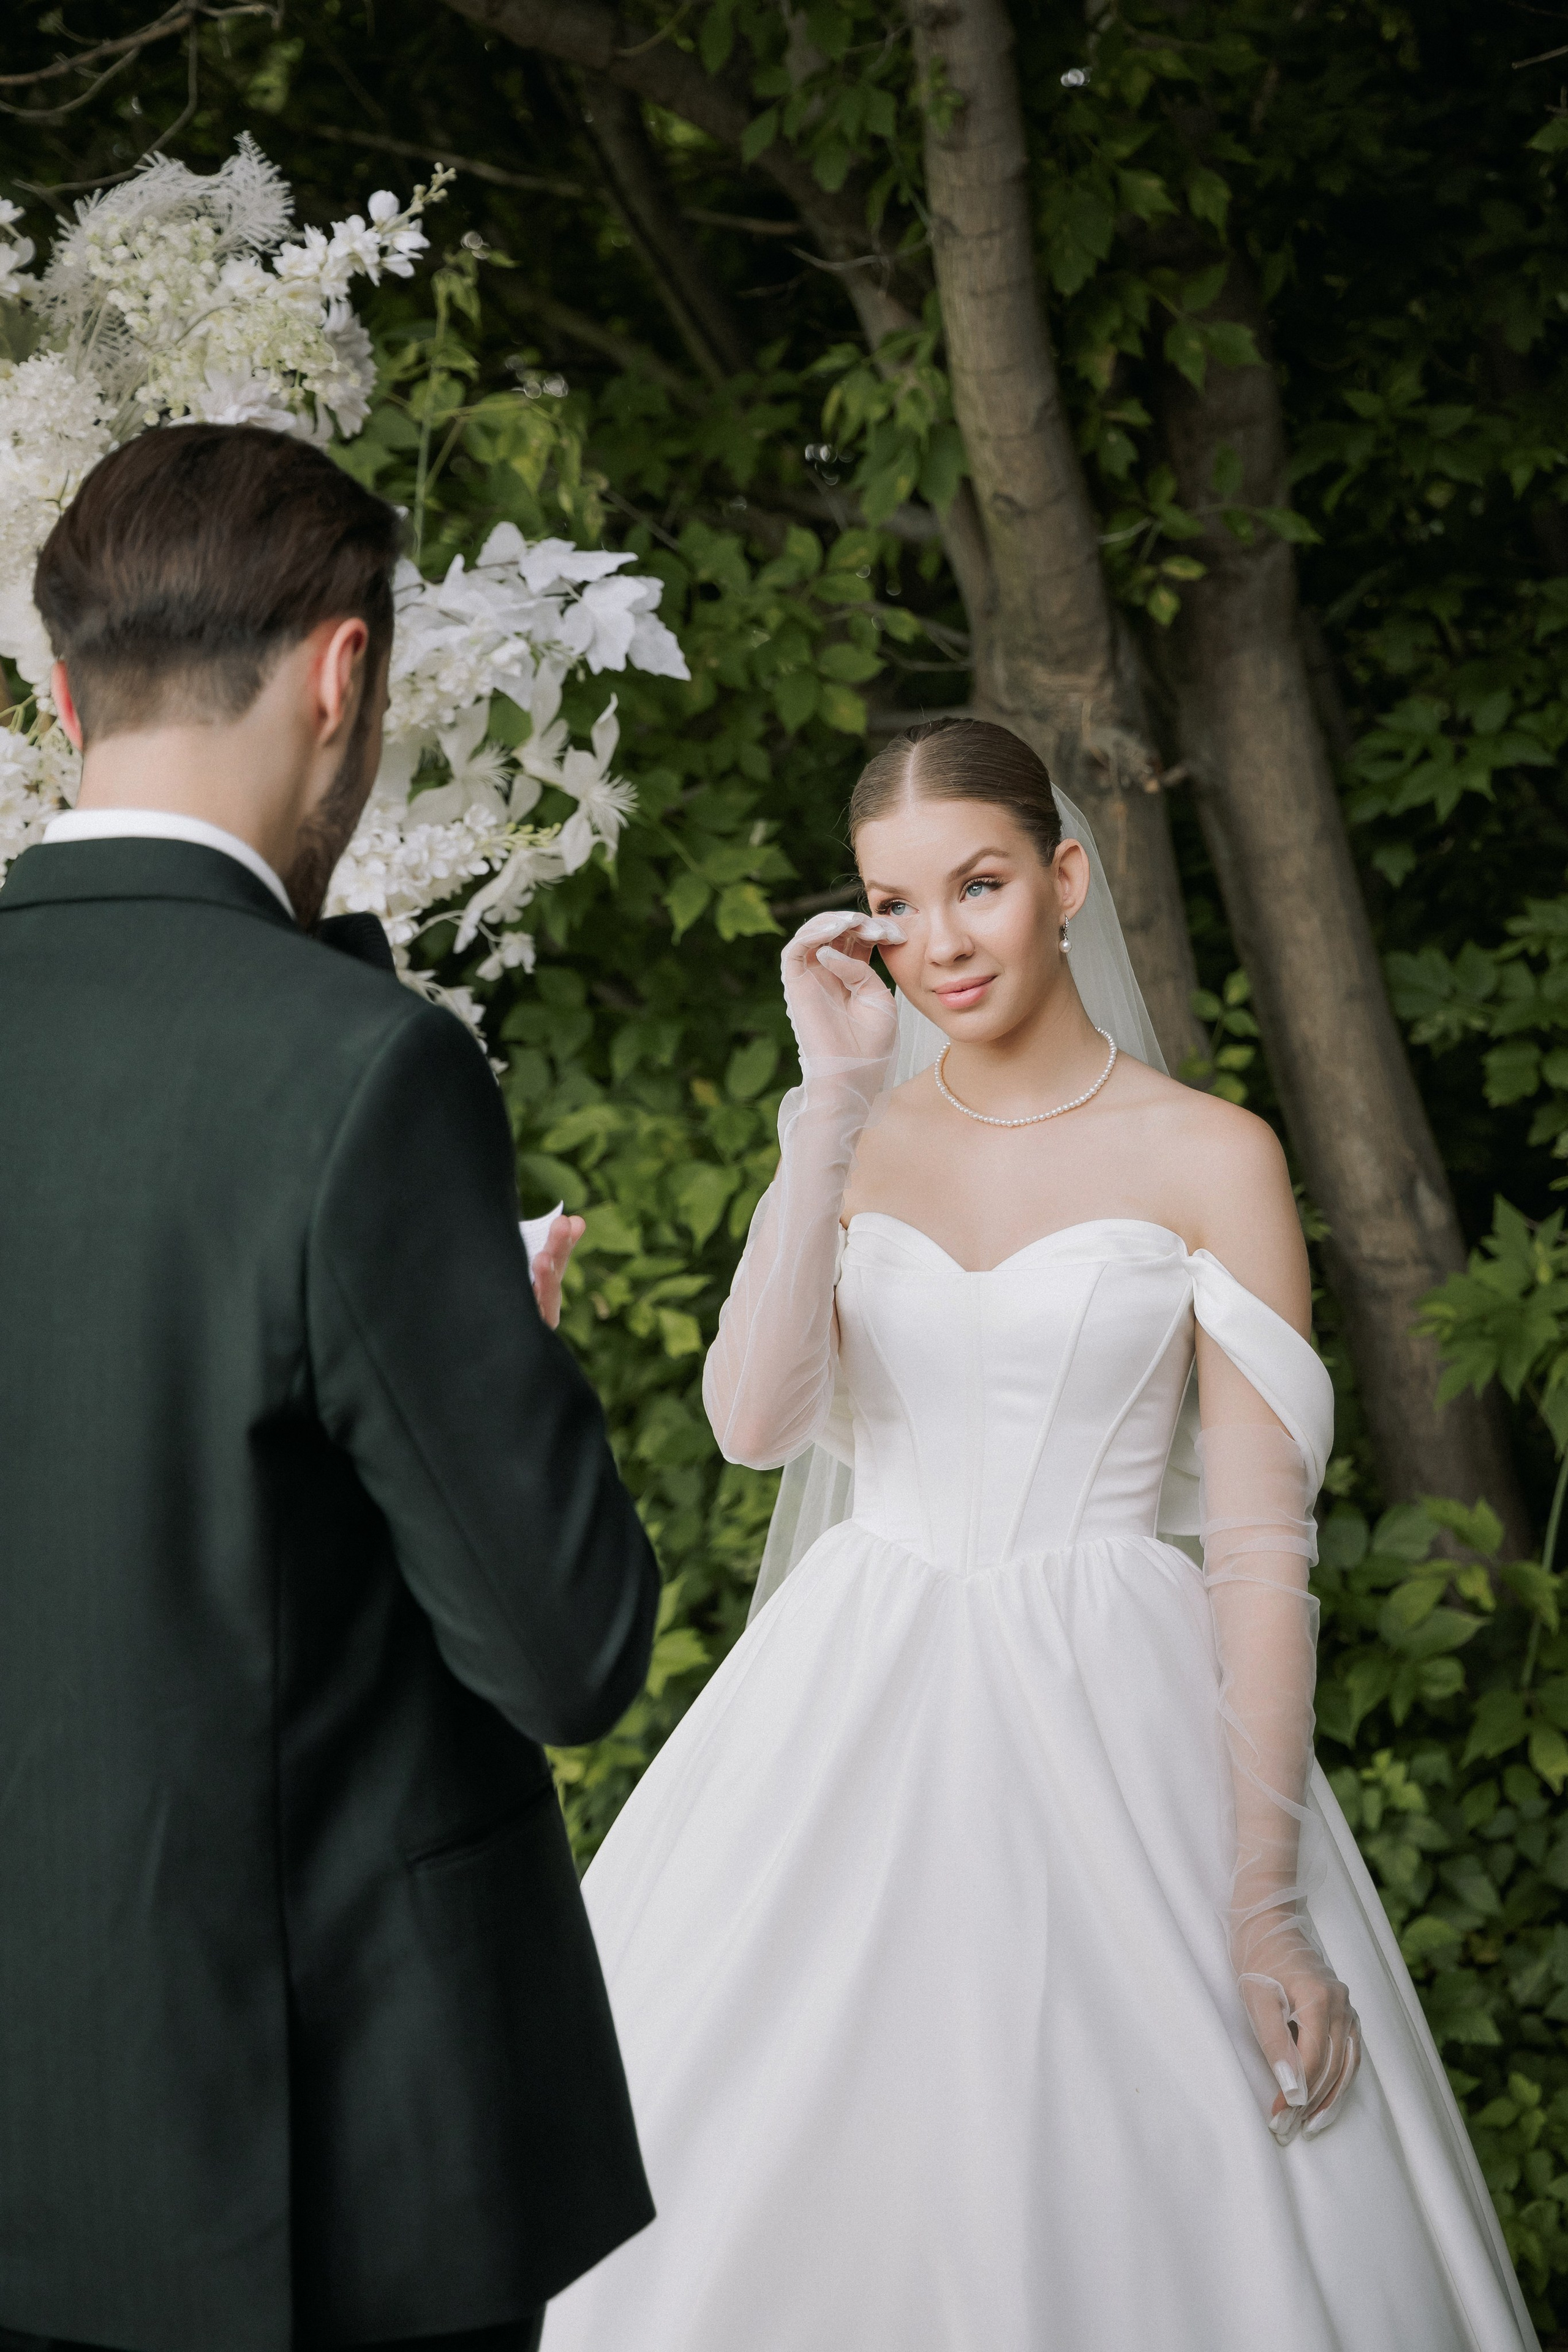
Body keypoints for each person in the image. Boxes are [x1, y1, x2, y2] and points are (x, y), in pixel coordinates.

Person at [542, 718, 1538, 2351]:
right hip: (855, 1686)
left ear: (1067, 878)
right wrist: (827, 1109)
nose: (938, 942)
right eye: (895, 902)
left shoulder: (1214, 1157)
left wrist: (1264, 1903)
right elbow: (753, 1426)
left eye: (981, 885)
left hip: (1118, 1695)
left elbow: (1260, 1548)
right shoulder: (860, 1135)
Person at [0, 424, 660, 2352]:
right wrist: (494, 1361)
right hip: (311, 2163)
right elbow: (566, 1652)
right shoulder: (364, 1069)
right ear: (344, 673)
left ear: (57, 694)